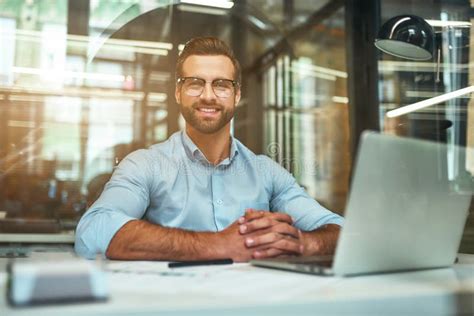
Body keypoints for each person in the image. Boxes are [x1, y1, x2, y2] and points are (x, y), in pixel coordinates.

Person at [75, 37, 343, 261]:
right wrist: (217, 245)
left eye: (221, 84)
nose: (208, 95)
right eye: (195, 83)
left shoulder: (267, 173)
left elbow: (342, 230)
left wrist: (303, 244)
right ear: (178, 93)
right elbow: (92, 231)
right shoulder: (145, 165)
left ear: (236, 96)